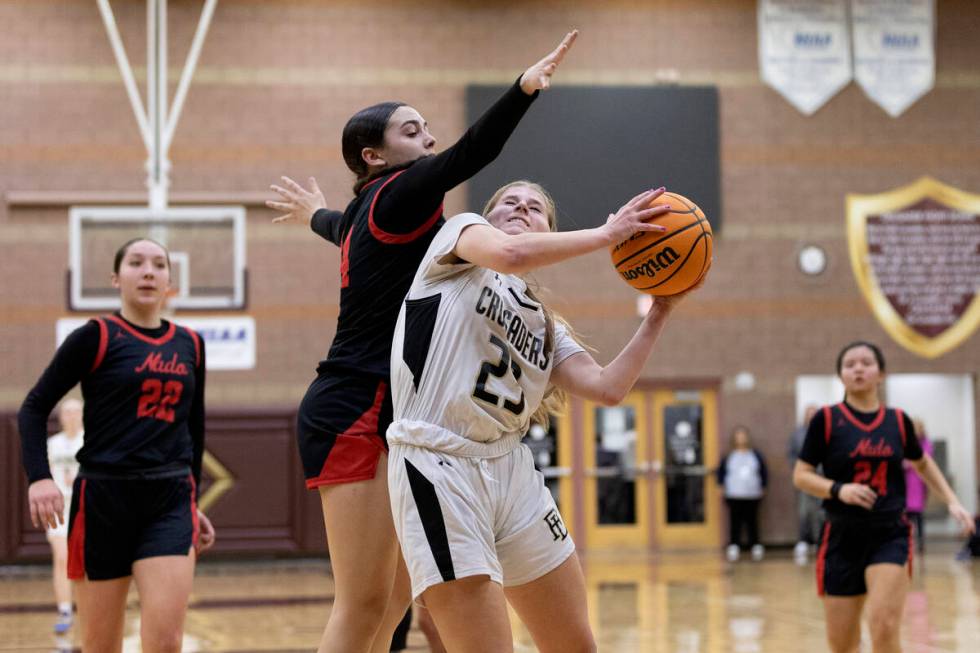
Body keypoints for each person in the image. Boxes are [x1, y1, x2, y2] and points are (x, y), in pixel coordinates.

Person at [265, 31, 579, 653]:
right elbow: (471, 153)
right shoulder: (403, 194)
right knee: (361, 606)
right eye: (412, 131)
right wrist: (522, 90)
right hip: (356, 403)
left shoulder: (370, 211)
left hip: (401, 414)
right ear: (374, 157)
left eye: (427, 128)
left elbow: (338, 224)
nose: (429, 140)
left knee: (392, 607)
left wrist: (313, 217)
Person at [386, 181, 694, 652]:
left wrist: (660, 311)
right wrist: (607, 233)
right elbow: (509, 255)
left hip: (510, 470)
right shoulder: (458, 239)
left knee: (576, 645)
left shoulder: (546, 325)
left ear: (547, 230)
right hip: (437, 461)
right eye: (509, 202)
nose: (520, 209)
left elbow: (608, 388)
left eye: (534, 209)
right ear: (487, 216)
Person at [19, 238, 216, 653]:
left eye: (159, 264)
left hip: (169, 499)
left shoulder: (191, 345)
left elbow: (194, 428)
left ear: (168, 280)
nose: (148, 271)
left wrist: (193, 500)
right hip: (104, 500)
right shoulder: (95, 336)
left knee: (165, 642)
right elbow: (34, 407)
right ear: (116, 278)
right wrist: (40, 477)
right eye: (136, 263)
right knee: (100, 644)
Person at [792, 341, 974, 653]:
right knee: (842, 645)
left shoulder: (899, 422)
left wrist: (952, 501)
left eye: (866, 362)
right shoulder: (826, 420)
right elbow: (801, 475)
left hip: (889, 533)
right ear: (841, 376)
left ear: (882, 375)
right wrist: (839, 489)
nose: (858, 368)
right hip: (840, 536)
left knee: (884, 625)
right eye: (850, 364)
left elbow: (922, 462)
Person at [45, 398, 84, 634]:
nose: (70, 416)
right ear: (60, 416)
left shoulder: (90, 440)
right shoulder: (53, 444)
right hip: (59, 508)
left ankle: (89, 608)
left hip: (84, 507)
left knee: (85, 560)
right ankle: (65, 610)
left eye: (75, 411)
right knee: (61, 558)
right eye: (66, 412)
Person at [717, 425, 768, 562]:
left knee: (752, 520)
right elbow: (721, 473)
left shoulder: (755, 455)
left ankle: (755, 545)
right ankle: (734, 545)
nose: (741, 438)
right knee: (735, 521)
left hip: (752, 493)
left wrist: (763, 486)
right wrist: (721, 487)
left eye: (743, 435)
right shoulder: (729, 456)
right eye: (738, 435)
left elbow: (763, 472)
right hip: (734, 493)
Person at [789, 404, 823, 564]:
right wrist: (800, 471)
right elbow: (792, 455)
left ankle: (819, 540)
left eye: (814, 413)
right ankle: (803, 540)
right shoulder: (797, 435)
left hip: (822, 478)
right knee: (804, 511)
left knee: (820, 511)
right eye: (809, 413)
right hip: (805, 478)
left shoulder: (825, 432)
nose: (811, 416)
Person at [904, 418, 934, 554]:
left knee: (918, 515)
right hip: (906, 481)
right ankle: (907, 541)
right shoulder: (907, 441)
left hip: (919, 481)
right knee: (907, 515)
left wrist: (909, 464)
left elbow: (924, 458)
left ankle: (921, 542)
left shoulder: (926, 443)